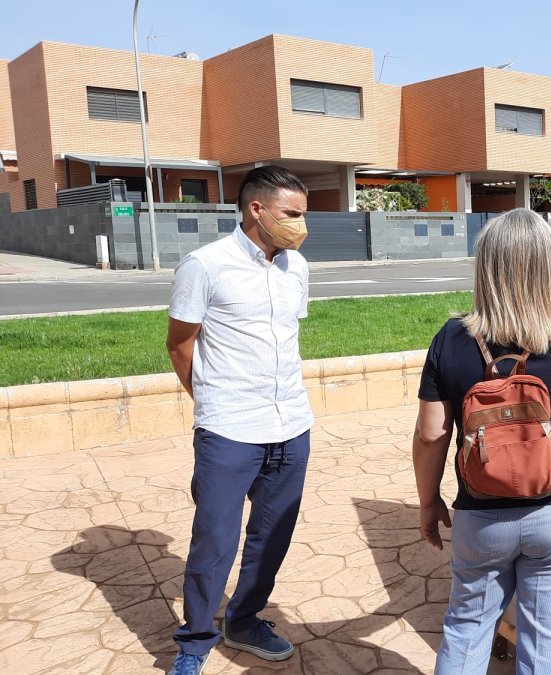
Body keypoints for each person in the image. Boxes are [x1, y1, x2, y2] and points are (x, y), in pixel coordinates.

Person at [414, 207, 551, 674]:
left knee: (467, 629)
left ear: (486, 268)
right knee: (546, 646)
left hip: (481, 513)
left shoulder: (450, 340)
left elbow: (432, 433)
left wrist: (428, 502)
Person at [164, 166, 314, 675]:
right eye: (291, 214)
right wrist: (210, 402)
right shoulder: (205, 265)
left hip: (291, 425)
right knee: (215, 540)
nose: (300, 225)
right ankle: (194, 642)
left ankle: (244, 620)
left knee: (272, 535)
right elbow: (180, 344)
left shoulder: (297, 267)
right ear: (257, 209)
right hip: (230, 430)